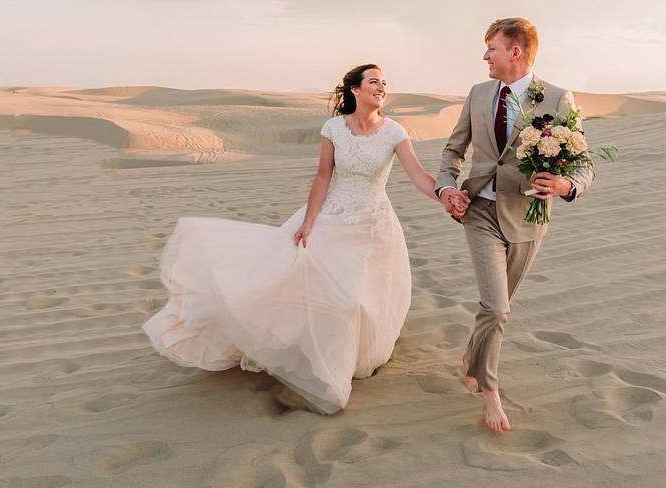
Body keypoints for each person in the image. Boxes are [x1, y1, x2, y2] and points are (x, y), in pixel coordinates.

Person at [142, 64, 450, 413]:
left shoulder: (394, 131)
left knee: (356, 300)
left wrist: (444, 196)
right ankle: (321, 361)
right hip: (331, 217)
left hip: (373, 226)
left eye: (384, 83)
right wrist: (307, 222)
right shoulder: (334, 128)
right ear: (355, 90)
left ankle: (348, 360)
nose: (381, 87)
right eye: (373, 82)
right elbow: (322, 178)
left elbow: (419, 176)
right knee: (306, 284)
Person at [436, 18, 595, 432]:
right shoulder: (478, 93)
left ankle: (472, 356)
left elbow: (584, 164)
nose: (484, 55)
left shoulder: (559, 99)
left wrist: (565, 185)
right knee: (497, 307)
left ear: (516, 52)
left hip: (528, 219)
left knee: (495, 308)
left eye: (491, 47)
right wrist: (445, 188)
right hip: (479, 212)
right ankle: (489, 391)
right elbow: (454, 150)